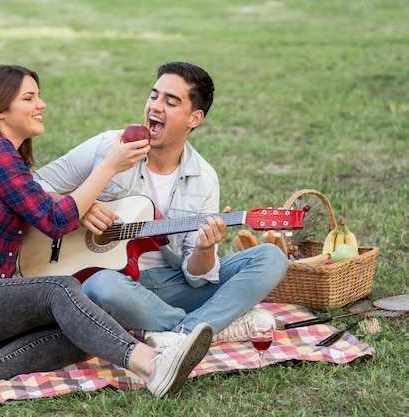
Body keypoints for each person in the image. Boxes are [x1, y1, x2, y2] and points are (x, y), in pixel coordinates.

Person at [0, 64, 214, 401]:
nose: (42, 104)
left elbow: (48, 206)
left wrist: (84, 202)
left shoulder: (10, 160)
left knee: (86, 323)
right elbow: (55, 219)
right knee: (61, 290)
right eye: (29, 97)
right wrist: (109, 165)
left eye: (38, 96)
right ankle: (152, 364)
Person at [33, 62, 289, 349]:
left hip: (170, 285)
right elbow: (34, 183)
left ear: (194, 118)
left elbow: (196, 278)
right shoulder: (109, 146)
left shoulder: (203, 179)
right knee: (100, 286)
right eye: (154, 96)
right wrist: (80, 209)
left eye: (171, 101)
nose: (156, 107)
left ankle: (179, 332)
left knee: (271, 258)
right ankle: (206, 327)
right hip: (109, 282)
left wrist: (205, 249)